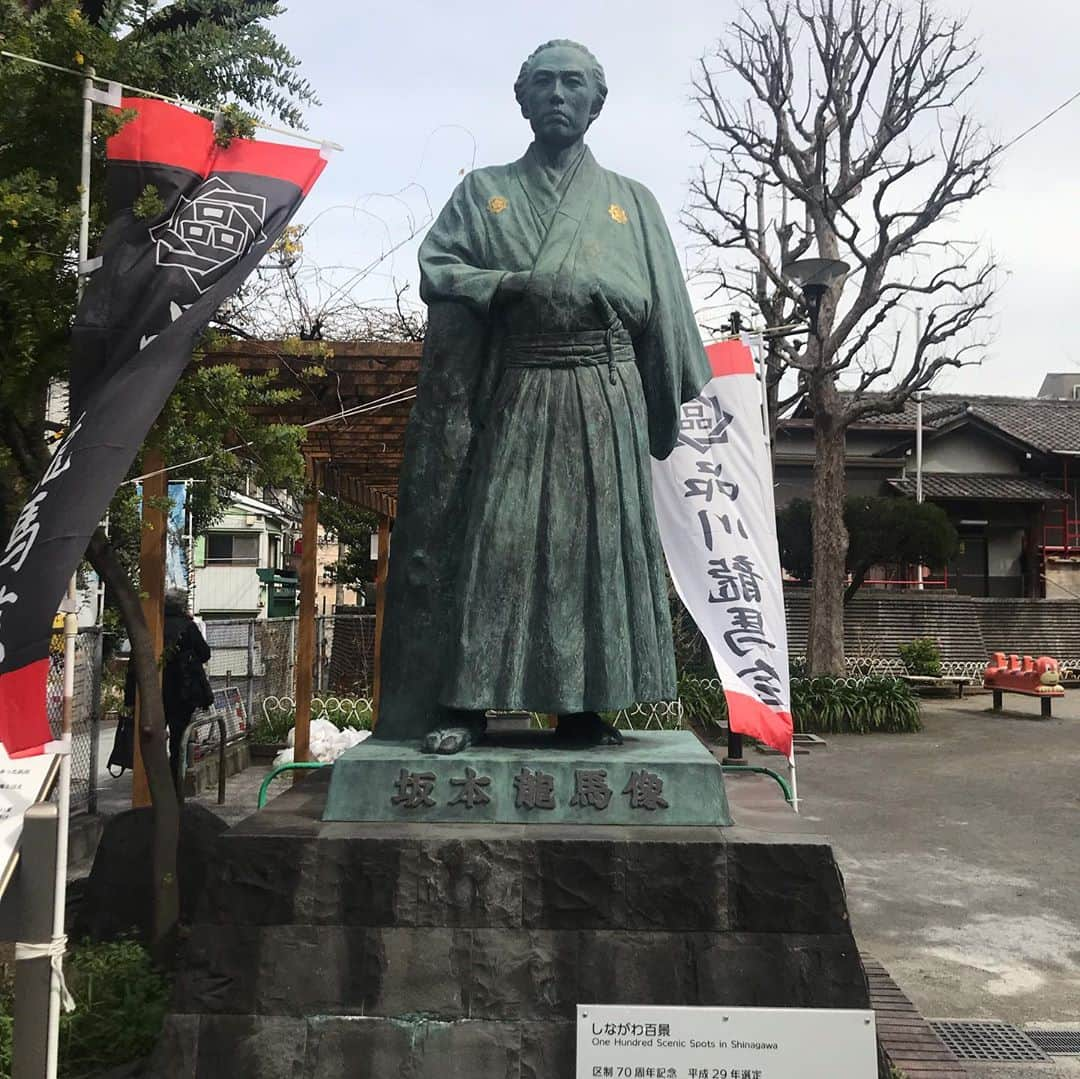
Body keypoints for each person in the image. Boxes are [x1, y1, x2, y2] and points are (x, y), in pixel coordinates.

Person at [375, 40, 709, 754]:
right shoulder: (484, 192)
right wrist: (505, 285)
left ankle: (585, 707)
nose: (559, 95)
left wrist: (651, 377)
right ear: (522, 99)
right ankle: (466, 702)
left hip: (604, 394)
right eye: (545, 84)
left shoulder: (632, 204)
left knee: (592, 546)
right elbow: (439, 267)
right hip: (520, 389)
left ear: (597, 102)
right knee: (498, 544)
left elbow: (667, 312)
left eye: (574, 84)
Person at [124, 589, 212, 791]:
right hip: (184, 691)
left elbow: (134, 662)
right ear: (181, 605)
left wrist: (130, 697)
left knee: (153, 736)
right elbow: (205, 653)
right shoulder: (187, 627)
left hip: (153, 690)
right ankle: (174, 783)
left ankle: (151, 782)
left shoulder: (152, 625)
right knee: (179, 738)